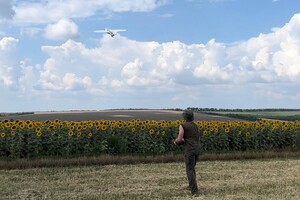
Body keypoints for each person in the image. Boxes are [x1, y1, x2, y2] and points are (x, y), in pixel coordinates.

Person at [174, 110, 200, 197]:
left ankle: (194, 192)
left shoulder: (183, 126)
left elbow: (180, 138)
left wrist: (175, 142)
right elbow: (193, 137)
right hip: (197, 149)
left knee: (189, 169)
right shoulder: (195, 126)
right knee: (192, 168)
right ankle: (191, 186)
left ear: (184, 117)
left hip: (189, 150)